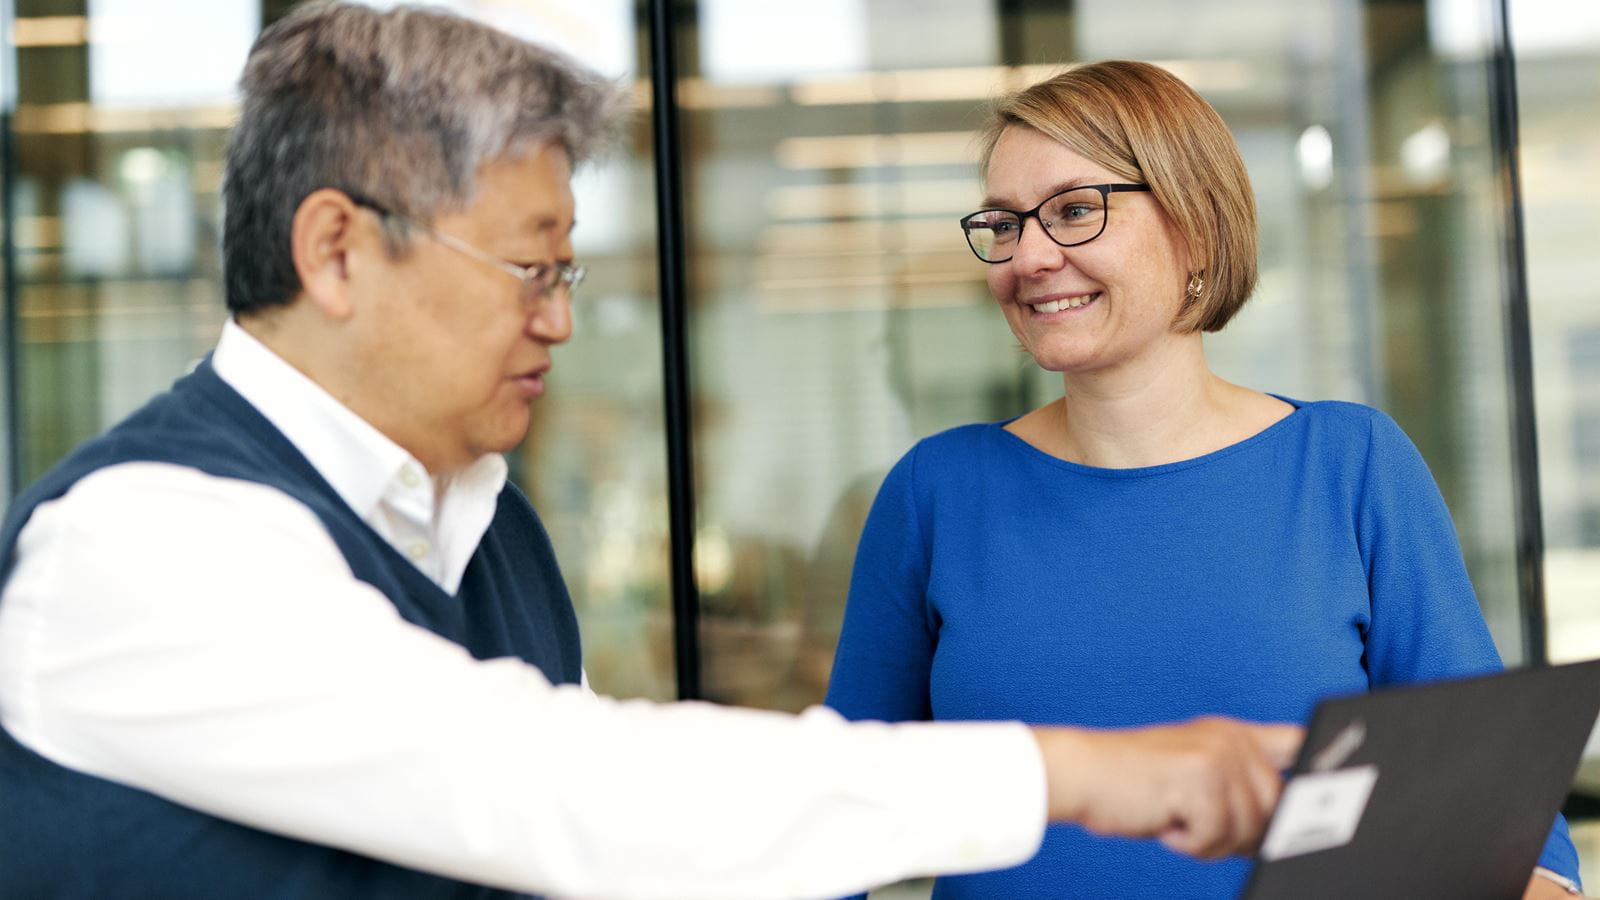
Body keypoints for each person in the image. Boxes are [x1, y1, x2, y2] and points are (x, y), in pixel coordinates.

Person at [0, 8, 1302, 899]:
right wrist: (1071, 768)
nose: (562, 318)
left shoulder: (484, 523)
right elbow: (550, 786)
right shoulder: (142, 543)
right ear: (338, 250)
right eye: (528, 265)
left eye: (567, 269)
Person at [824, 60, 1584, 900]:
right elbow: (833, 821)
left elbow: (1503, 831)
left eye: (1075, 211)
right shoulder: (936, 492)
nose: (1030, 257)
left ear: (1195, 223)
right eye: (1005, 224)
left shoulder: (1349, 465)